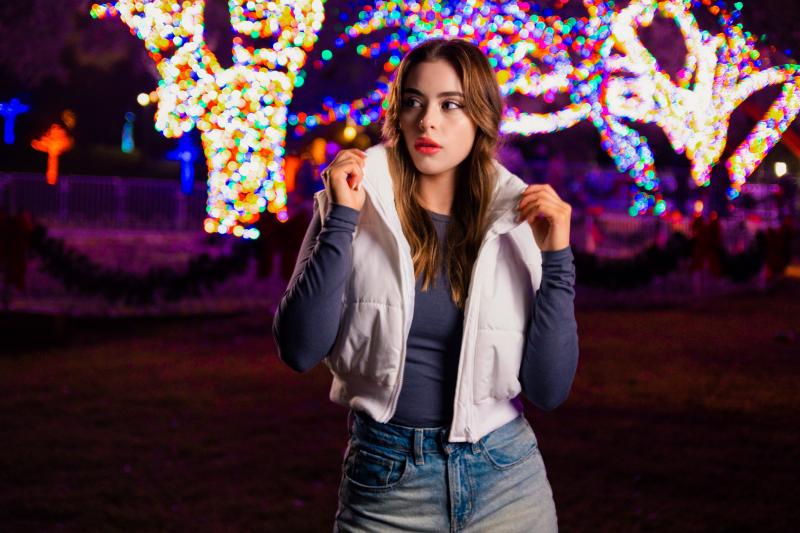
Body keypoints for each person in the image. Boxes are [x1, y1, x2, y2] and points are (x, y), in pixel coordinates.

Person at [272, 37, 579, 532]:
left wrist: (557, 260)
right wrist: (342, 223)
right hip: (387, 483)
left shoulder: (520, 217)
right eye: (413, 102)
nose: (427, 121)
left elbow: (548, 389)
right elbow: (300, 349)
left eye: (450, 105)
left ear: (480, 116)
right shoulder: (350, 198)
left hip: (506, 482)